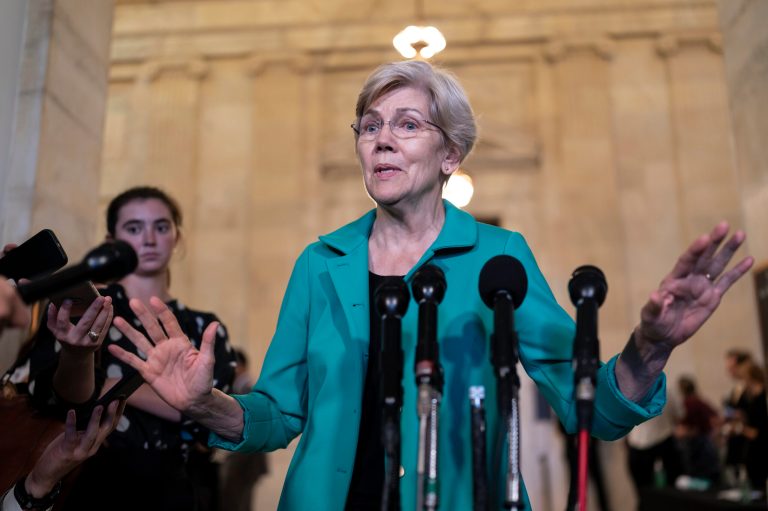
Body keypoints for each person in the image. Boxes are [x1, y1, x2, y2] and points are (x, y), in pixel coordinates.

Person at [108, 61, 754, 510]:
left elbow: (595, 407)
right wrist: (205, 403)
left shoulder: (500, 258)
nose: (382, 137)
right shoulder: (319, 262)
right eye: (369, 125)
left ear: (450, 155)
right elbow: (278, 414)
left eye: (407, 123)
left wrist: (650, 348)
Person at [10, 187, 236, 511]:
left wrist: (110, 384)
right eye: (133, 228)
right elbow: (50, 392)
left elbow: (212, 416)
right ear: (110, 240)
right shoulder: (88, 307)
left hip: (172, 492)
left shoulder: (202, 325)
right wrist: (82, 360)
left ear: (177, 237)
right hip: (85, 484)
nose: (148, 239)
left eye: (161, 227)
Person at [217, 349, 269, 511]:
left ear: (240, 366)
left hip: (245, 461)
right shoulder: (246, 386)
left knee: (236, 503)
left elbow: (252, 429)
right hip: (247, 462)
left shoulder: (248, 388)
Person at [673, 376, 720, 483]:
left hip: (696, 446)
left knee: (698, 479)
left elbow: (684, 427)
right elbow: (716, 417)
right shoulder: (700, 401)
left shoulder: (687, 404)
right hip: (707, 444)